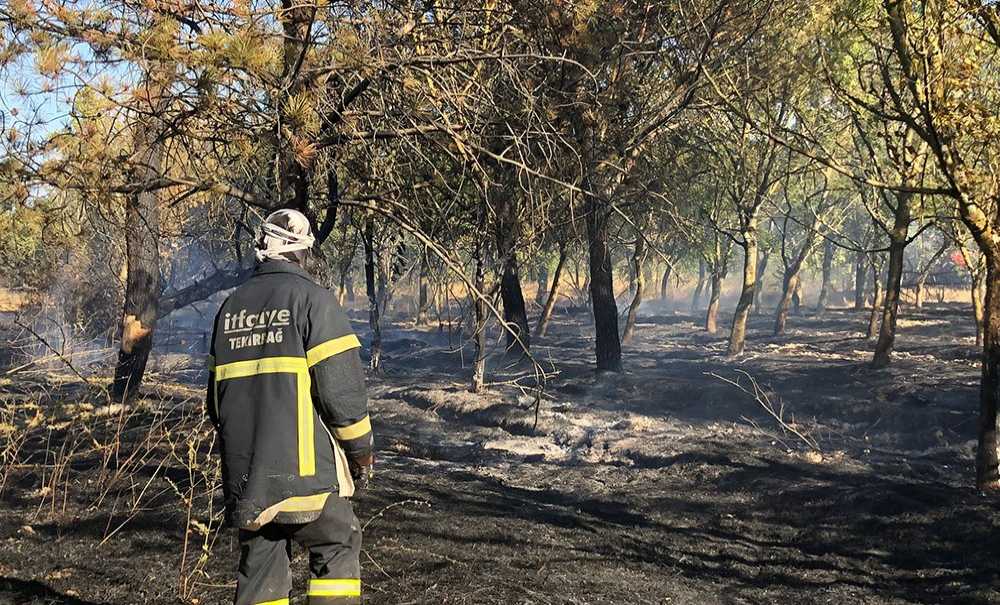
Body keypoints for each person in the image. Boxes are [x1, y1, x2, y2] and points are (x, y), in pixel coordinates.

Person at [206, 209, 374, 605]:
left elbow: (214, 403)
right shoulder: (313, 300)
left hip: (249, 482)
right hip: (304, 477)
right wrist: (361, 453)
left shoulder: (230, 309)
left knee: (260, 567)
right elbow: (343, 397)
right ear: (302, 252)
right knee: (338, 540)